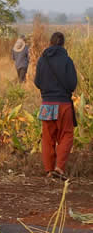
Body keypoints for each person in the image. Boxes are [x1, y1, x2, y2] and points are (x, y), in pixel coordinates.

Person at [34, 32, 77, 180]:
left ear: (50, 43)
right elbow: (72, 84)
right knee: (66, 135)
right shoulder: (67, 60)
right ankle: (59, 168)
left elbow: (37, 82)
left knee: (47, 138)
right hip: (64, 104)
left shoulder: (42, 60)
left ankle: (48, 170)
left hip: (47, 104)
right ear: (63, 44)